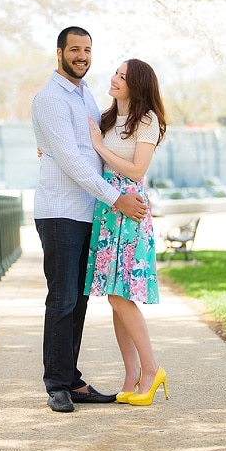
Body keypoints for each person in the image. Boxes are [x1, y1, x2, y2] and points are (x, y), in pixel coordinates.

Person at [32, 26, 148, 413]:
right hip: (61, 211)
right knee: (62, 299)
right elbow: (72, 160)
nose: (82, 56)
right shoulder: (50, 98)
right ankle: (57, 385)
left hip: (87, 212)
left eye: (87, 50)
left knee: (78, 301)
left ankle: (72, 379)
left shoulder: (85, 96)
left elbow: (97, 147)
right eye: (75, 50)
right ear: (60, 52)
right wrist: (118, 200)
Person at [85, 58, 169, 407]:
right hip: (107, 211)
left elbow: (137, 170)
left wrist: (100, 147)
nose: (115, 78)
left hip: (130, 212)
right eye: (116, 73)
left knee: (122, 296)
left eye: (123, 76)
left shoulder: (146, 120)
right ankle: (131, 373)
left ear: (136, 85)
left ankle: (151, 370)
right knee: (114, 297)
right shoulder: (105, 119)